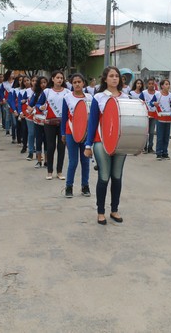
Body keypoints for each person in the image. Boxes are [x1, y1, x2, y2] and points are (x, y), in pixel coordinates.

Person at [84, 66, 128, 225]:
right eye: (111, 76)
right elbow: (92, 122)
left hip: (120, 143)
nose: (115, 78)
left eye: (117, 76)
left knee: (117, 176)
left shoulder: (126, 97)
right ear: (105, 79)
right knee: (104, 177)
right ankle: (100, 212)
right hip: (101, 141)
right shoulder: (98, 97)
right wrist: (88, 145)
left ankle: (114, 210)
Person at [61, 73, 93, 198]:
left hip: (86, 133)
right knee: (73, 161)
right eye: (74, 82)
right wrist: (63, 133)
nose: (77, 84)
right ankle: (69, 187)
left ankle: (85, 186)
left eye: (79, 82)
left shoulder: (90, 98)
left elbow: (93, 116)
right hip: (71, 132)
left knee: (85, 161)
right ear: (71, 84)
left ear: (83, 83)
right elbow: (64, 117)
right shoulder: (67, 97)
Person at [36, 70, 69, 180]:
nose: (60, 80)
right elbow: (38, 104)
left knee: (61, 147)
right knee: (50, 147)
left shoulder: (67, 92)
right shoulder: (47, 91)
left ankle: (59, 171)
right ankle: (49, 171)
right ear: (53, 79)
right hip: (49, 123)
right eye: (57, 77)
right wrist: (41, 107)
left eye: (61, 78)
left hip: (63, 123)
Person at [153, 79, 171, 160]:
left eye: (168, 84)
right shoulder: (157, 94)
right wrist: (154, 103)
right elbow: (151, 102)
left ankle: (165, 152)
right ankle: (158, 153)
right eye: (166, 84)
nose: (168, 86)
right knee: (160, 136)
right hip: (160, 117)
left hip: (168, 117)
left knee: (166, 136)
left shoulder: (170, 95)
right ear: (162, 86)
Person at [28, 76, 48, 168]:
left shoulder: (50, 92)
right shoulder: (36, 94)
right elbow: (30, 105)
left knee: (47, 140)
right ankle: (39, 160)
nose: (43, 84)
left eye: (45, 82)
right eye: (41, 83)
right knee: (39, 140)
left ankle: (47, 161)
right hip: (38, 120)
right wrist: (33, 108)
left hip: (48, 120)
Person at [139, 77, 158, 153]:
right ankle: (144, 147)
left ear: (154, 84)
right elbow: (140, 101)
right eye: (149, 84)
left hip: (154, 115)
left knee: (151, 132)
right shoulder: (144, 93)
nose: (151, 85)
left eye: (152, 84)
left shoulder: (157, 93)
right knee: (145, 132)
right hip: (145, 115)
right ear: (147, 84)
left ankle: (150, 147)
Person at [21, 76, 37, 161]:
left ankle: (38, 153)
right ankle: (30, 152)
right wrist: (22, 112)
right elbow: (22, 102)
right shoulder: (27, 91)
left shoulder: (43, 92)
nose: (34, 82)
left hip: (39, 116)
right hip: (29, 115)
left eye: (36, 81)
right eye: (33, 80)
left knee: (38, 135)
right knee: (31, 133)